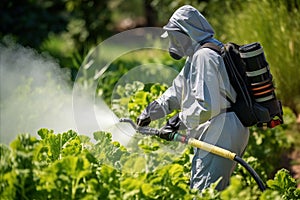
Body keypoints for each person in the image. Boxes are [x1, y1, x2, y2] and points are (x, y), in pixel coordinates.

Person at [136, 5, 249, 191]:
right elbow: (178, 90)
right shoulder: (198, 54)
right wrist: (154, 109)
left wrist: (180, 120)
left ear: (186, 33)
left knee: (204, 191)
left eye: (174, 37)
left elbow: (208, 106)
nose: (172, 42)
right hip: (220, 128)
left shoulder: (205, 56)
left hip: (221, 129)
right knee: (206, 189)